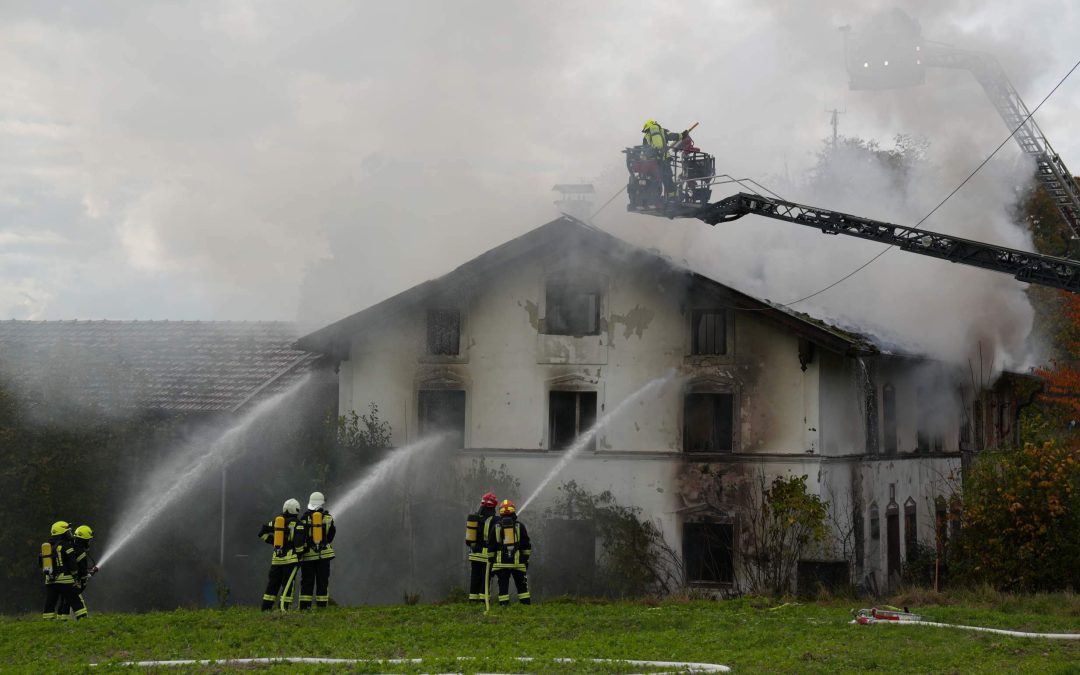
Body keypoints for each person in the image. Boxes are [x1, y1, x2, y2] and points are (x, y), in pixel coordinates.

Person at [258, 498, 305, 611]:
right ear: (296, 510)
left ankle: (266, 608)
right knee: (288, 586)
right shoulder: (298, 524)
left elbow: (261, 533)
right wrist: (300, 554)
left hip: (276, 560)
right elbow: (298, 543)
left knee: (272, 584)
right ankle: (283, 608)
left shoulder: (276, 522)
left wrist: (272, 541)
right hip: (290, 561)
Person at [297, 491, 336, 609]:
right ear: (321, 503)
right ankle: (322, 607)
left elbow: (300, 537)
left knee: (307, 582)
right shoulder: (328, 518)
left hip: (308, 556)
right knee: (322, 582)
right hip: (323, 555)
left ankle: (304, 607)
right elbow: (330, 536)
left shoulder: (303, 519)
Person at [41, 521, 87, 620]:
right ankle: (83, 618)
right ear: (62, 533)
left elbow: (41, 563)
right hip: (65, 580)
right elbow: (73, 565)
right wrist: (75, 577)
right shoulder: (66, 546)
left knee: (50, 603)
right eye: (67, 532)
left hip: (50, 581)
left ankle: (47, 622)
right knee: (75, 600)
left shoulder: (47, 547)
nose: (69, 534)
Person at [489, 499, 531, 607]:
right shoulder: (520, 526)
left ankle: (504, 606)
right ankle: (525, 606)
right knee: (522, 587)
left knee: (503, 587)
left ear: (501, 512)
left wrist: (491, 561)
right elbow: (526, 545)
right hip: (518, 563)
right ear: (513, 511)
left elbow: (491, 546)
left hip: (501, 564)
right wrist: (525, 559)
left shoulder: (496, 527)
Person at [641, 119, 688, 200]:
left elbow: (644, 150)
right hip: (665, 159)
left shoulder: (646, 137)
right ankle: (672, 199)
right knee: (668, 179)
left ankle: (653, 198)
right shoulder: (663, 131)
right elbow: (673, 136)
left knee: (654, 179)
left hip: (653, 162)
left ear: (646, 128)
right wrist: (682, 135)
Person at [58, 525, 98, 619]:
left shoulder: (70, 548)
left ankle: (61, 621)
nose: (89, 542)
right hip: (74, 583)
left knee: (65, 601)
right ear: (84, 540)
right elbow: (82, 573)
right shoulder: (81, 553)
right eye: (88, 540)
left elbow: (76, 567)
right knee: (78, 603)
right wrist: (91, 573)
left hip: (64, 580)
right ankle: (83, 620)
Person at [466, 492, 498, 603]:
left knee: (475, 577)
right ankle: (483, 601)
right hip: (485, 555)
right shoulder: (494, 520)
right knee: (485, 579)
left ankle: (472, 600)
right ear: (493, 505)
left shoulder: (475, 517)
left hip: (474, 554)